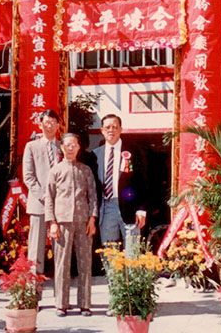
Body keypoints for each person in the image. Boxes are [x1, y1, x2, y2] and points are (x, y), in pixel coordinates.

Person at [44, 133, 98, 317]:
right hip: (62, 222)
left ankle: (85, 304)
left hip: (83, 222)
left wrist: (92, 219)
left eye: (74, 144)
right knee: (61, 264)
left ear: (78, 147)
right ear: (61, 147)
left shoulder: (86, 170)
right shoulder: (55, 171)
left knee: (85, 263)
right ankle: (61, 304)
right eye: (67, 144)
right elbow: (49, 199)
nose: (70, 147)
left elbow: (93, 196)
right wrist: (52, 222)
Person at [93, 114, 147, 255]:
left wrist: (141, 209)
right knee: (109, 251)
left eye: (115, 127)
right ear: (102, 130)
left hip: (129, 207)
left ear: (121, 129)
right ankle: (112, 278)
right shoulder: (95, 154)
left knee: (132, 250)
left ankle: (132, 277)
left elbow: (142, 182)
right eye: (107, 127)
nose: (111, 130)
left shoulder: (133, 151)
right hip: (106, 208)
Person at [22, 109, 62, 276]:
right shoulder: (31, 147)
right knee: (36, 250)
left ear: (58, 125)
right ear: (40, 125)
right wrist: (43, 195)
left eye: (53, 122)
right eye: (46, 122)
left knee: (61, 249)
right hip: (39, 204)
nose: (50, 125)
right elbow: (28, 176)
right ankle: (33, 295)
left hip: (61, 205)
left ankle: (61, 296)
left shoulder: (63, 147)